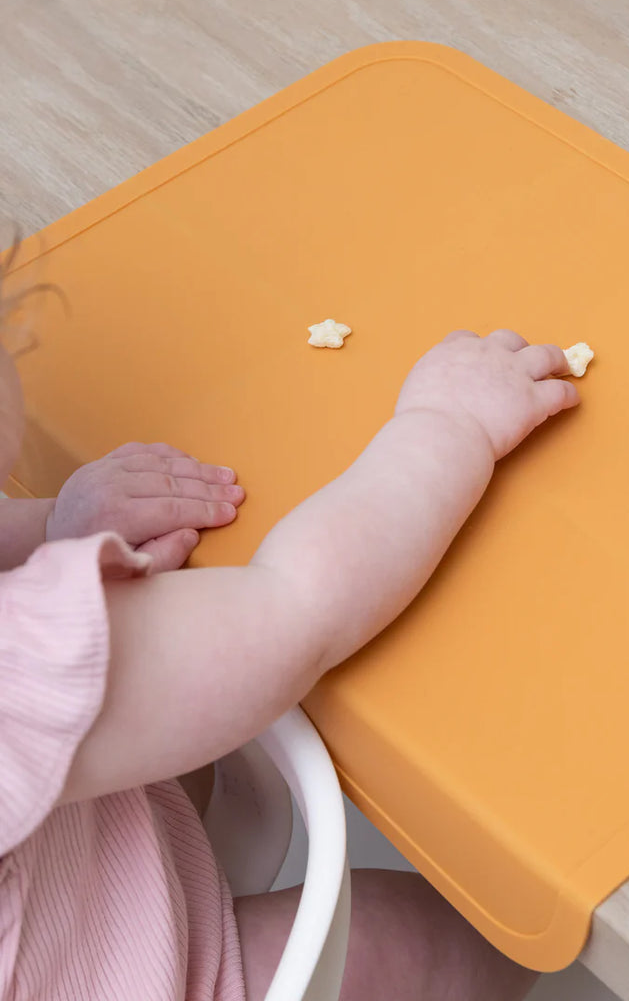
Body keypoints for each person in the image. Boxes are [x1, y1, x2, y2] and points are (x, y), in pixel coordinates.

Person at [0, 267, 579, 1001]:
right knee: (437, 937)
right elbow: (294, 606)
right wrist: (446, 426)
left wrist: (45, 532)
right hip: (173, 976)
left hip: (79, 898)